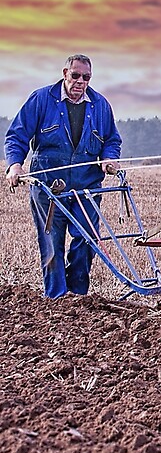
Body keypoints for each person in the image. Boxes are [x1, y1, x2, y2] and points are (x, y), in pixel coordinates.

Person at [4, 54, 122, 299]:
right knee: (52, 245)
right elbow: (17, 136)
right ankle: (57, 298)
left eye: (86, 77)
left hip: (87, 185)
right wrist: (15, 165)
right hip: (49, 187)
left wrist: (109, 158)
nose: (80, 81)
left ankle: (77, 296)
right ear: (65, 73)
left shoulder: (100, 105)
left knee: (87, 239)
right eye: (76, 75)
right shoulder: (41, 99)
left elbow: (112, 140)